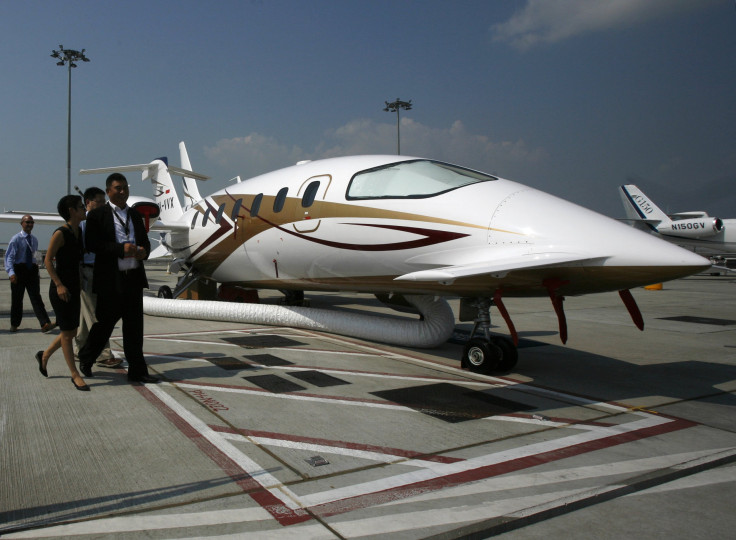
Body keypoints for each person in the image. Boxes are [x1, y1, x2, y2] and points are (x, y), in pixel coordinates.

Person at [77, 173, 158, 384]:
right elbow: (94, 244)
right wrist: (121, 249)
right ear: (108, 191)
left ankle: (138, 371)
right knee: (103, 325)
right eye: (117, 188)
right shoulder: (97, 216)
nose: (122, 192)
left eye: (125, 188)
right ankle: (86, 358)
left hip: (133, 279)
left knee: (134, 329)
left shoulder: (134, 215)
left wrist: (143, 252)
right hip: (110, 281)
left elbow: (146, 243)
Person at [35, 195, 89, 391]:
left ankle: (45, 354)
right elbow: (48, 260)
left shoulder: (78, 231)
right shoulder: (61, 233)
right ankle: (74, 375)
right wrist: (58, 284)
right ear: (71, 210)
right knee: (68, 334)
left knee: (71, 331)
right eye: (81, 206)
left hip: (74, 288)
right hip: (61, 291)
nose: (84, 209)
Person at [74, 186, 119, 368]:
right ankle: (103, 354)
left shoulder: (102, 222)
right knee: (96, 315)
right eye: (98, 202)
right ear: (88, 203)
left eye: (103, 202)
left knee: (87, 315)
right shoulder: (83, 224)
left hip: (102, 271)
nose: (101, 205)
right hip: (88, 272)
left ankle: (79, 348)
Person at [4, 214, 56, 333]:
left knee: (36, 297)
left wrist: (37, 269)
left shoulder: (34, 239)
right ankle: (14, 323)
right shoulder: (16, 239)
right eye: (27, 222)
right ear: (21, 224)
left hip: (31, 271)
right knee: (17, 299)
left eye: (31, 222)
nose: (29, 225)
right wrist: (11, 273)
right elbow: (9, 257)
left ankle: (45, 323)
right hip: (19, 270)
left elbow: (35, 255)